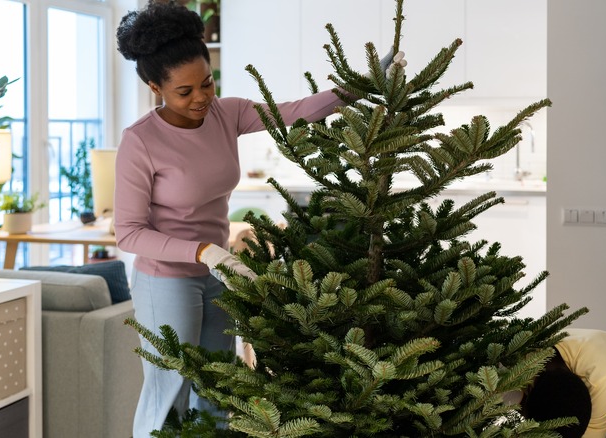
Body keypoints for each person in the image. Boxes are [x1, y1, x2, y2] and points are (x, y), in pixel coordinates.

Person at [114, 2, 405, 436]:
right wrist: (203, 251)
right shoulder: (140, 141)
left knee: (219, 388)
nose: (201, 98)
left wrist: (366, 83)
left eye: (207, 83)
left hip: (218, 276)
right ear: (155, 87)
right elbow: (128, 233)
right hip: (166, 279)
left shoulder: (226, 112)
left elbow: (300, 109)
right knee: (169, 391)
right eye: (185, 91)